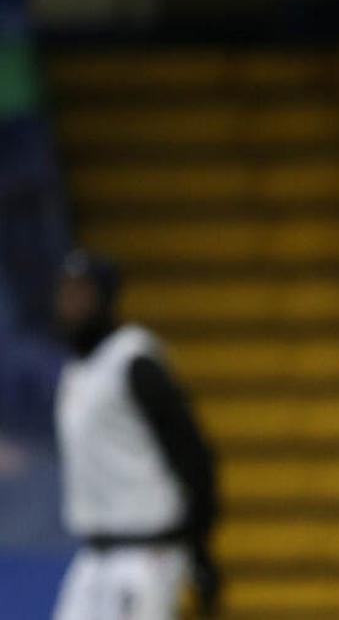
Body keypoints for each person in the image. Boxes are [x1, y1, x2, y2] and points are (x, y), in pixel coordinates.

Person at [52, 250, 220, 619]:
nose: (72, 303)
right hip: (94, 554)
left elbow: (191, 452)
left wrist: (200, 549)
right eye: (67, 292)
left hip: (147, 553)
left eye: (83, 292)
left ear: (105, 297)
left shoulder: (134, 361)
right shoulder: (76, 369)